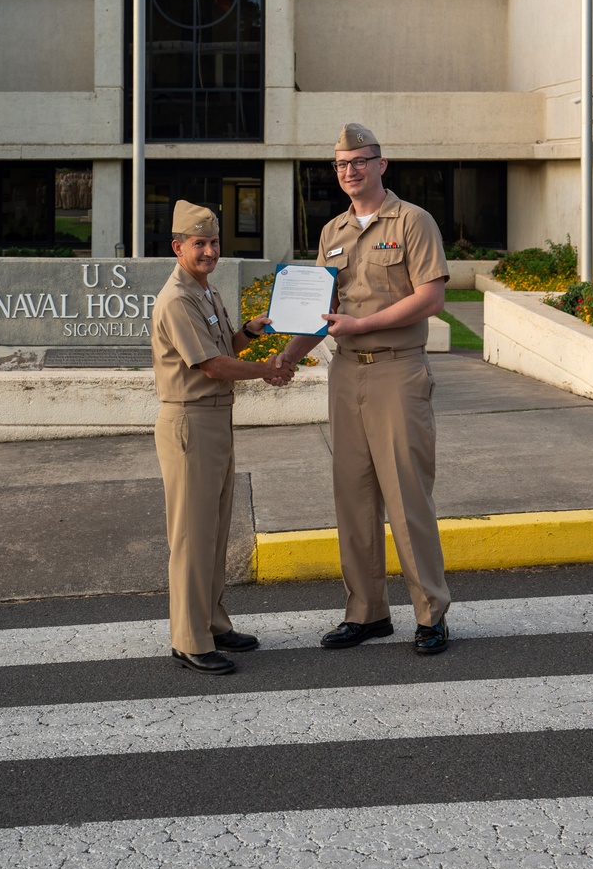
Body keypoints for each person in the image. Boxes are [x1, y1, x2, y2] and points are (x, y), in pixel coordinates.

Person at [276, 125, 451, 654]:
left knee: (406, 497)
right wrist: (285, 358)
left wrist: (361, 326)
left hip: (397, 371)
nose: (349, 170)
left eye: (359, 160)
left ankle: (430, 615)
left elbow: (430, 298)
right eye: (340, 164)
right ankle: (367, 612)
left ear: (381, 165)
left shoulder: (413, 222)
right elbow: (315, 310)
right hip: (345, 373)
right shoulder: (332, 232)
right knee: (353, 497)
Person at [150, 200, 293, 676]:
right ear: (178, 247)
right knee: (191, 537)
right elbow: (211, 366)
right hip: (190, 422)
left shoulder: (204, 291)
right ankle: (188, 639)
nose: (209, 250)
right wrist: (267, 370)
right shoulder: (177, 298)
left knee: (212, 531)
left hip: (215, 421)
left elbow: (223, 347)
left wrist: (250, 333)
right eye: (199, 243)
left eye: (213, 242)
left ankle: (211, 622)